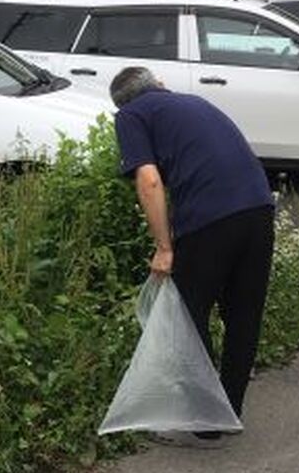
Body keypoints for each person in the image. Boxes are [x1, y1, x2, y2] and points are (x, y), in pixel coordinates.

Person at [110, 66, 275, 448]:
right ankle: (224, 413)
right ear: (159, 85)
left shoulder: (131, 115)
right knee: (243, 315)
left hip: (210, 219)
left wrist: (165, 248)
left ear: (122, 102)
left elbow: (149, 181)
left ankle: (202, 415)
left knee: (187, 315)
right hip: (259, 209)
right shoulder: (194, 102)